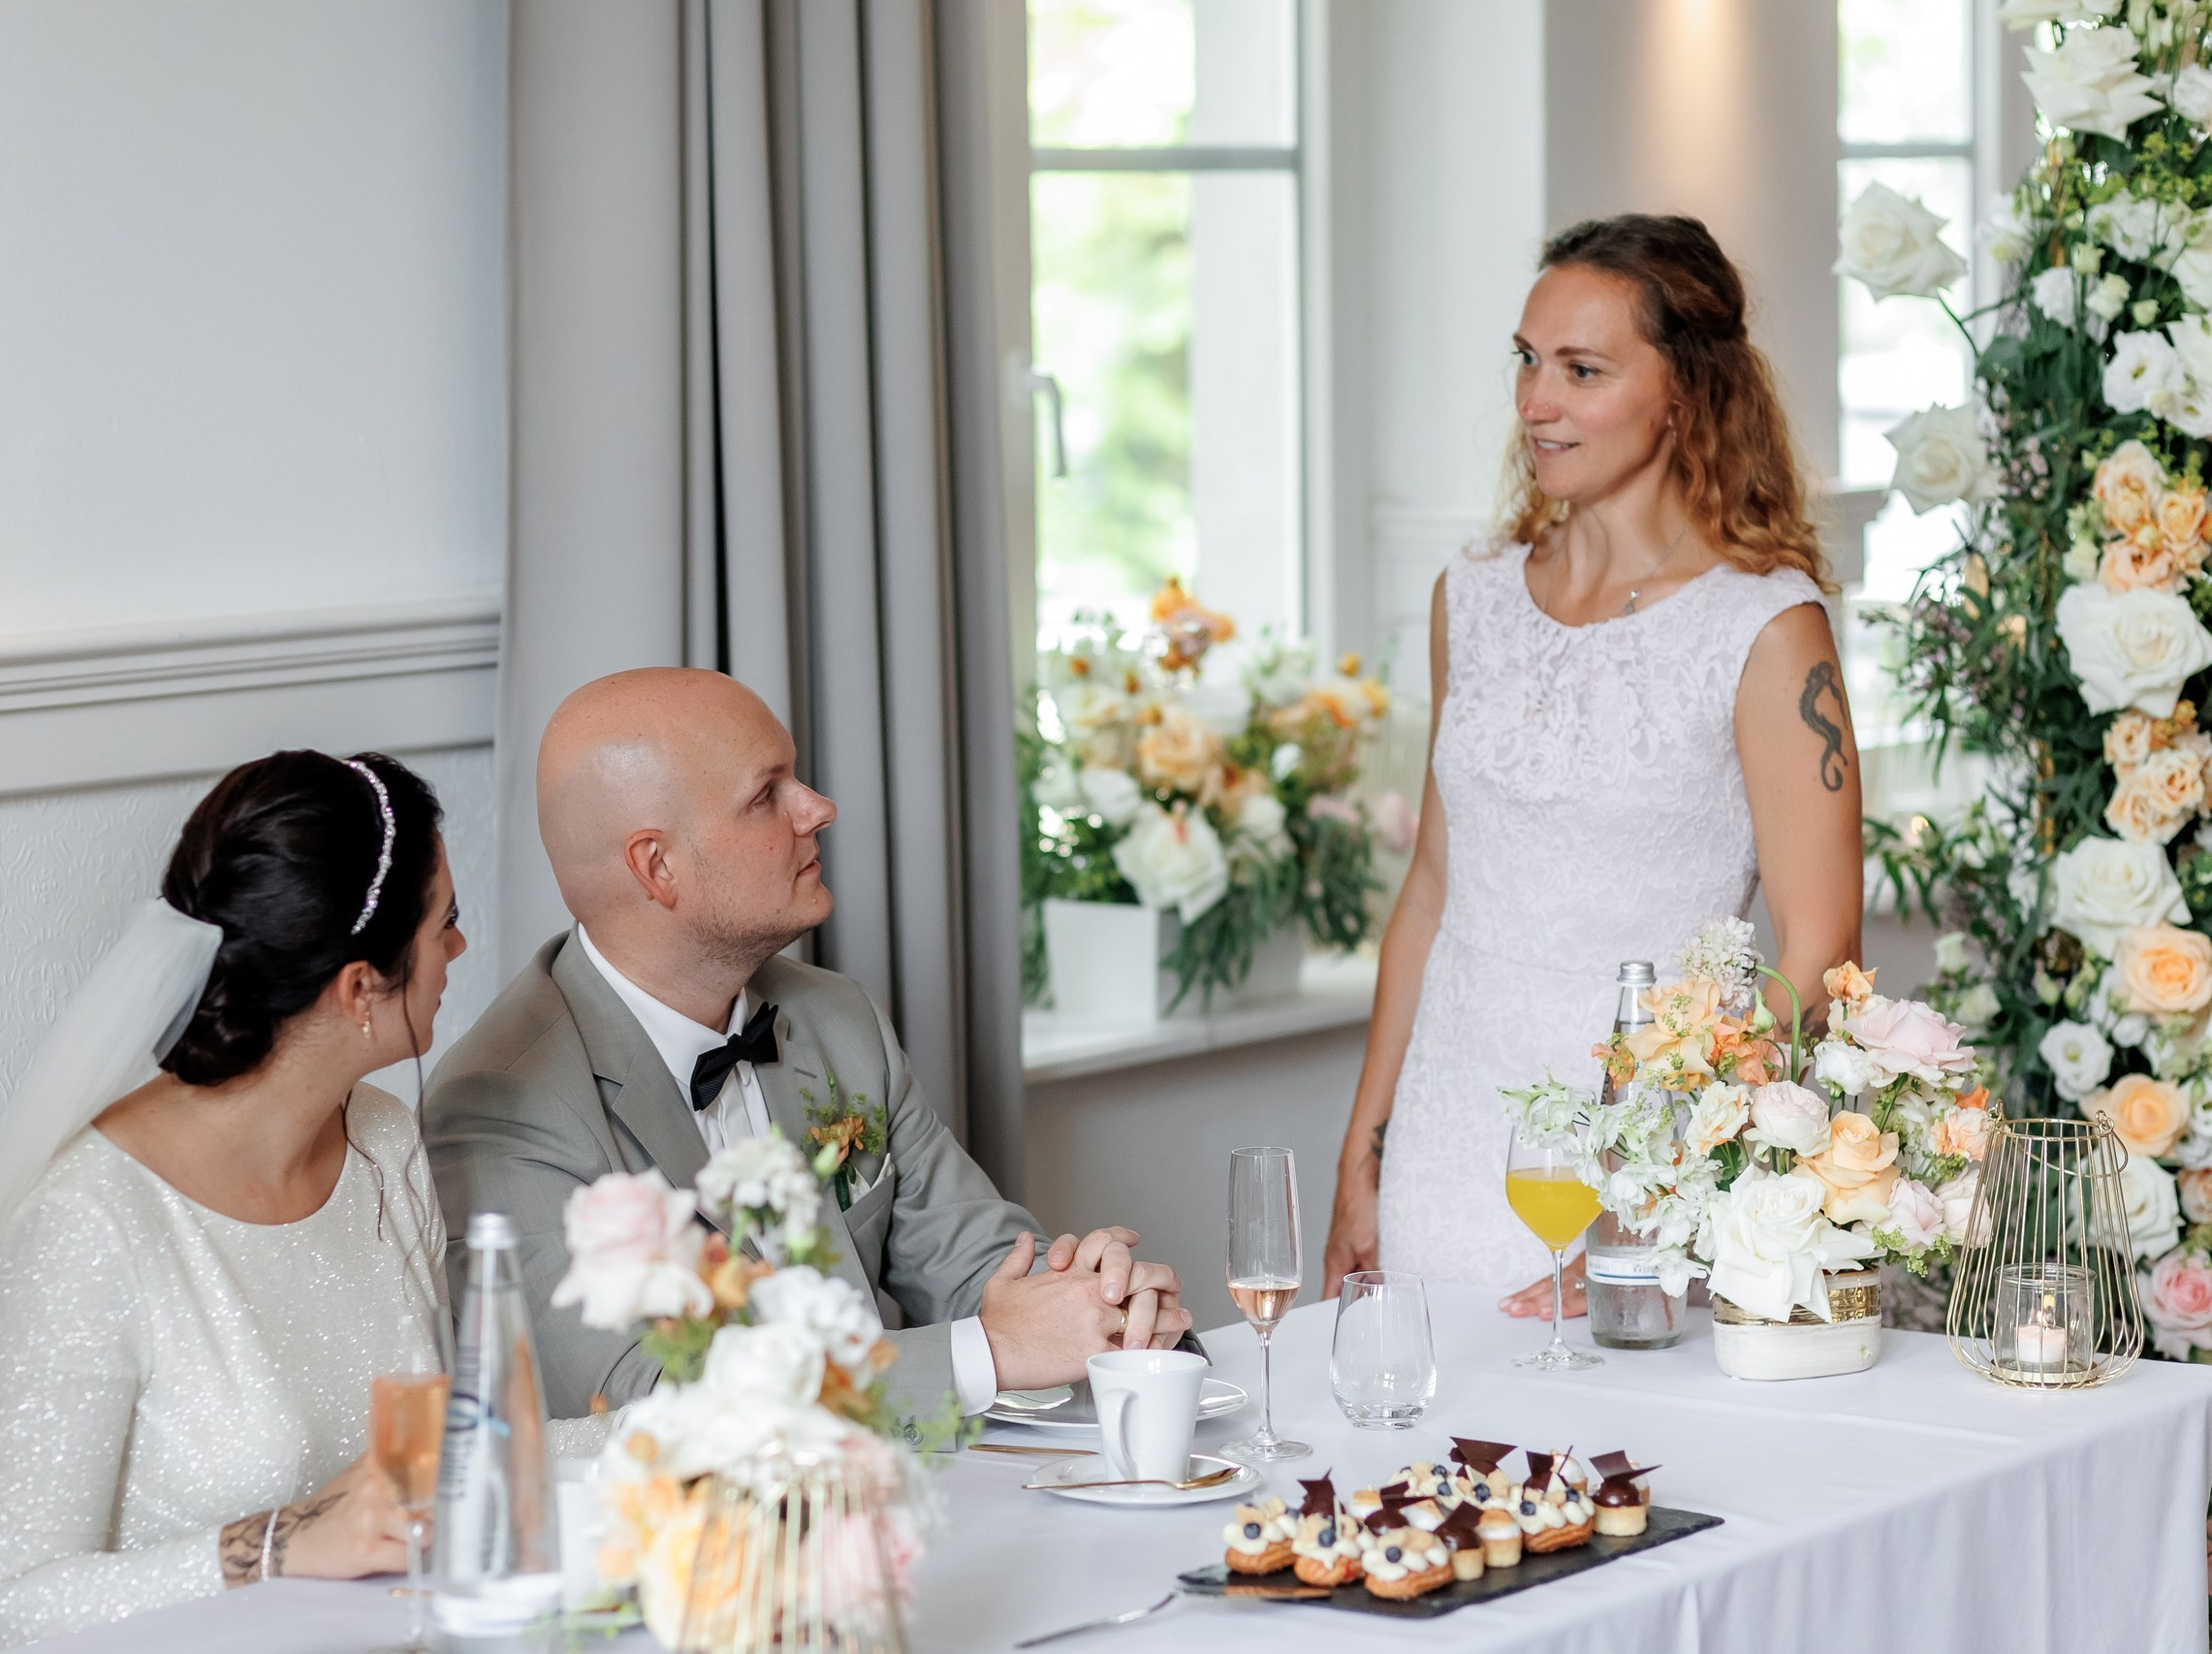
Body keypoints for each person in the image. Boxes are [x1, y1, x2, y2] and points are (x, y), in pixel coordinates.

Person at [1320, 214, 1864, 1318]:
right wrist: (1362, 1155)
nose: (1534, 402)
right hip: (1448, 1139)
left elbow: (1819, 953)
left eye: (1581, 369)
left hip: (1642, 1167)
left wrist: (1644, 1221)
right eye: (1526, 360)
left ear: (1685, 390)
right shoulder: (1467, 597)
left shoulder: (1765, 630)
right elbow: (1431, 890)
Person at [426, 668, 1189, 1426]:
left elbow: (982, 1266)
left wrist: (1098, 1298)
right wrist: (987, 1353)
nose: (819, 808)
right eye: (767, 795)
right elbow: (646, 1404)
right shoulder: (500, 1109)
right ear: (656, 866)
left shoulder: (835, 1016)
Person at [0, 751, 466, 1652]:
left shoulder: (383, 1140)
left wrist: (692, 1418)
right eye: (446, 925)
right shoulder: (92, 1223)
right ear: (359, 989)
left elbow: (451, 1451)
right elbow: (8, 1607)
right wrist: (276, 1546)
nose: (459, 951)